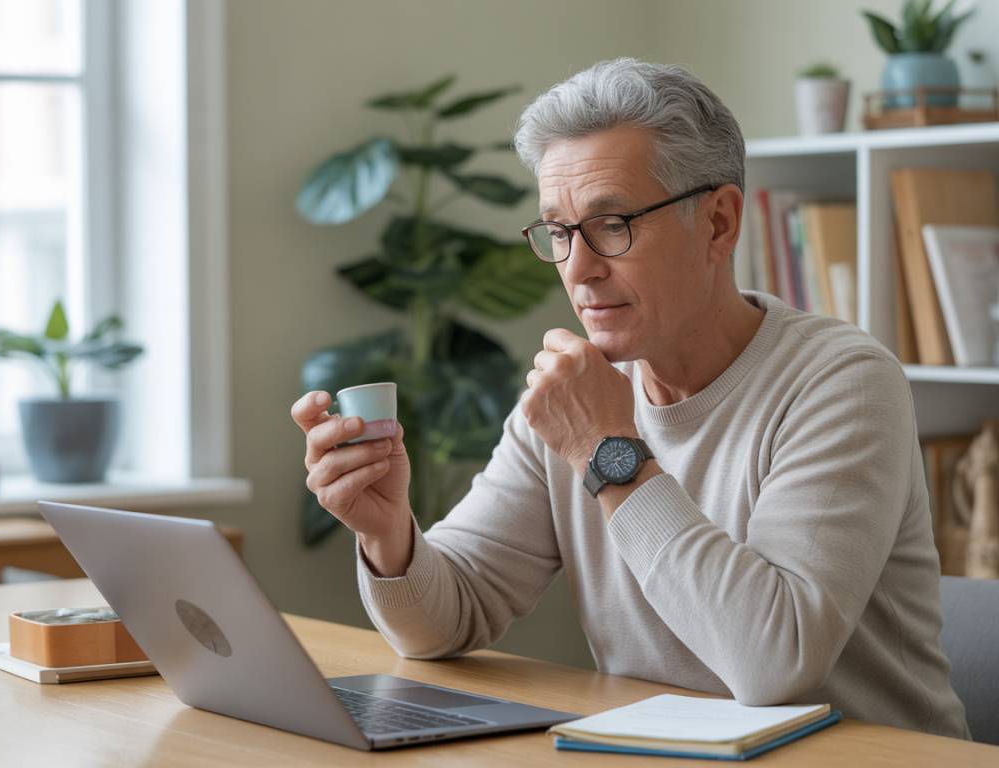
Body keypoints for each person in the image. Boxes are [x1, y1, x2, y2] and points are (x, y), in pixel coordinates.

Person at [291, 58, 969, 738]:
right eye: (558, 232)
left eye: (612, 223)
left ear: (719, 223)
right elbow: (445, 621)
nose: (578, 269)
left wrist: (604, 450)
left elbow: (774, 664)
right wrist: (389, 535)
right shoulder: (573, 399)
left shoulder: (842, 382)